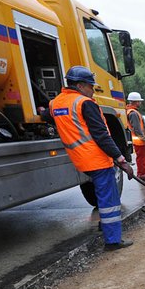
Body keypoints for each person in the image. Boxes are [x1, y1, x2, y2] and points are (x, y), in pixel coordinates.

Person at [46, 66, 134, 250]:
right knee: (109, 200)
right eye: (90, 86)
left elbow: (47, 115)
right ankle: (113, 240)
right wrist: (121, 159)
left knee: (102, 197)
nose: (92, 90)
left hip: (80, 160)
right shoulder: (85, 103)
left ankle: (107, 229)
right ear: (79, 85)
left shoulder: (55, 103)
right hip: (97, 159)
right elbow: (102, 135)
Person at [126, 92, 145, 182]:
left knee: (141, 158)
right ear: (135, 102)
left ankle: (141, 174)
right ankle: (142, 175)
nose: (140, 103)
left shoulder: (132, 111)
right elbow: (137, 129)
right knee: (142, 159)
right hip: (139, 141)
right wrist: (144, 139)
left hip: (138, 141)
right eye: (139, 101)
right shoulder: (133, 113)